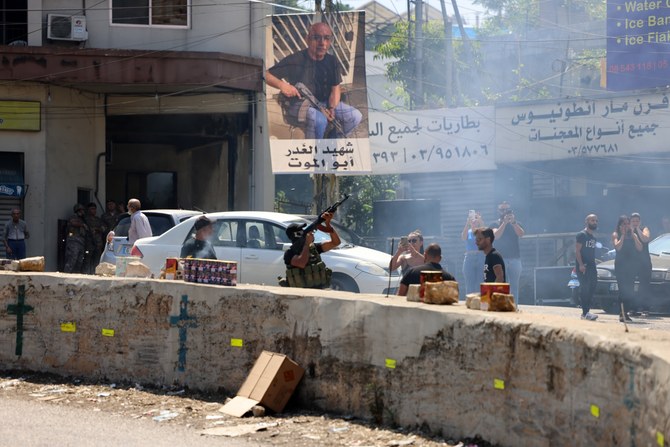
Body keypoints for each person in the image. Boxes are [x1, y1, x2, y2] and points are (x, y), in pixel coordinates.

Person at [265, 22, 362, 139]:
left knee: (355, 116)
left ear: (330, 41)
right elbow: (265, 74)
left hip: (324, 103)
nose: (322, 43)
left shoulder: (332, 61)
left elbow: (335, 88)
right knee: (319, 120)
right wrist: (282, 85)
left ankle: (331, 142)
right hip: (299, 104)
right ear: (307, 39)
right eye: (316, 38)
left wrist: (332, 108)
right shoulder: (295, 59)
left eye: (327, 38)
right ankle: (314, 152)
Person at [282, 212, 340, 288]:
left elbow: (335, 243)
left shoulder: (313, 247)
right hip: (300, 293)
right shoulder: (289, 253)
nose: (305, 232)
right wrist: (306, 244)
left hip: (318, 291)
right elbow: (301, 263)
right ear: (296, 235)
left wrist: (328, 225)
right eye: (301, 231)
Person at [490, 201, 524, 301]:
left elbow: (521, 234)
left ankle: (514, 307)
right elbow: (496, 236)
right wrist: (504, 223)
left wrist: (513, 222)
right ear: (498, 211)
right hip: (500, 259)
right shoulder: (494, 224)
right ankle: (502, 307)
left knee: (514, 286)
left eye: (506, 210)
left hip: (515, 259)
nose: (504, 212)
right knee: (501, 285)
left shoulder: (516, 223)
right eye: (502, 210)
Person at [612, 215, 642, 322]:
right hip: (621, 265)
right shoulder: (616, 234)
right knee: (622, 289)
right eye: (624, 223)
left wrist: (633, 236)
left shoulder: (633, 235)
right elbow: (618, 247)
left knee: (630, 289)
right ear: (620, 225)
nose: (626, 225)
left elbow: (640, 248)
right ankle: (621, 313)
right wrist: (623, 236)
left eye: (627, 223)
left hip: (632, 265)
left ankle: (626, 312)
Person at [575, 214, 599, 321]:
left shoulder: (593, 237)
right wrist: (580, 264)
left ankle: (587, 311)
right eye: (592, 220)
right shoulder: (581, 235)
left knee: (592, 287)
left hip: (592, 265)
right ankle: (585, 313)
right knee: (585, 288)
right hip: (583, 265)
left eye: (596, 221)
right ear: (587, 221)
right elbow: (577, 251)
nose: (594, 222)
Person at [630, 212, 652, 315]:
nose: (635, 223)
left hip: (644, 262)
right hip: (632, 262)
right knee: (631, 286)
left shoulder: (644, 229)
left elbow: (645, 239)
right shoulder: (628, 231)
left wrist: (638, 229)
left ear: (640, 222)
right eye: (633, 221)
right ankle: (633, 308)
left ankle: (645, 308)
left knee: (644, 286)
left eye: (637, 221)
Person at [461, 210, 485, 295]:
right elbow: (463, 237)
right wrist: (468, 223)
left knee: (480, 282)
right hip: (469, 257)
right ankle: (470, 303)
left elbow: (485, 233)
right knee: (469, 284)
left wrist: (480, 220)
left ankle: (480, 304)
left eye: (475, 218)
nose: (474, 221)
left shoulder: (480, 231)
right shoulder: (468, 231)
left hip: (481, 256)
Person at [64, 204, 89, 273]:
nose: (83, 212)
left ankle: (75, 274)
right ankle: (66, 275)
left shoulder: (83, 219)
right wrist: (83, 225)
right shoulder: (73, 217)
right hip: (73, 241)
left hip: (81, 242)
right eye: (82, 210)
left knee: (79, 261)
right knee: (72, 259)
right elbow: (73, 222)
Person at [84, 202, 106, 274]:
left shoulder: (98, 219)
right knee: (87, 259)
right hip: (88, 243)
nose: (93, 211)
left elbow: (104, 229)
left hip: (98, 243)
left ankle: (95, 273)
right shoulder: (85, 219)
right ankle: (87, 273)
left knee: (97, 259)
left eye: (94, 209)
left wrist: (97, 229)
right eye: (91, 209)